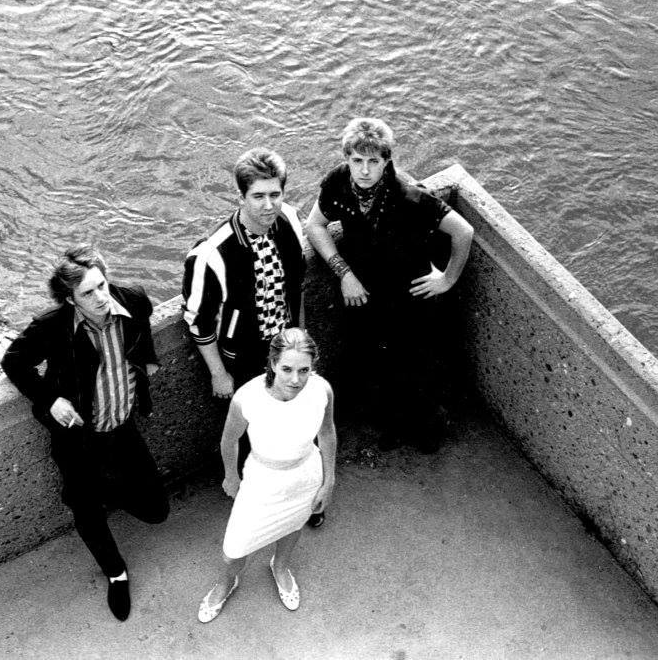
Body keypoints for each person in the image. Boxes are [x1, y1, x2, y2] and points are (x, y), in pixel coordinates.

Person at [1, 244, 169, 622]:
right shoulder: (52, 326)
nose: (101, 297)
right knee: (85, 507)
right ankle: (116, 572)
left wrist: (147, 363)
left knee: (156, 511)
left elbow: (143, 326)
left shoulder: (133, 299)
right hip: (78, 436)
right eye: (88, 293)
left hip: (122, 426)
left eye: (102, 285)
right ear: (70, 299)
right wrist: (49, 400)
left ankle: (104, 488)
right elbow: (13, 361)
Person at [304, 117, 474, 453]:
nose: (364, 170)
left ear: (386, 161)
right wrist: (344, 273)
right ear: (347, 159)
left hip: (409, 293)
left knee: (415, 362)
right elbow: (315, 225)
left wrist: (447, 279)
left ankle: (429, 429)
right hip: (366, 289)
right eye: (357, 160)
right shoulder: (338, 182)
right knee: (376, 361)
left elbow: (463, 231)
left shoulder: (409, 196)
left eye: (373, 161)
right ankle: (392, 425)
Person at [182, 147, 324, 526]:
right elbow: (198, 322)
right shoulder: (211, 254)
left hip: (286, 347)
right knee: (252, 435)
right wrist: (218, 373)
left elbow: (297, 288)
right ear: (241, 196)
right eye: (258, 196)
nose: (268, 205)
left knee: (298, 421)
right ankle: (257, 499)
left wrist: (301, 338)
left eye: (275, 194)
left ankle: (303, 494)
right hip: (243, 357)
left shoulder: (289, 220)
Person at [197, 328, 336, 623]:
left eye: (304, 370)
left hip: (305, 475)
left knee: (293, 524)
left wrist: (329, 480)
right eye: (287, 369)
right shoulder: (247, 397)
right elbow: (229, 439)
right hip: (262, 480)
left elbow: (327, 433)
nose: (295, 379)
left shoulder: (322, 390)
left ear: (313, 366)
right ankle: (227, 582)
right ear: (273, 363)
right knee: (234, 548)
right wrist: (231, 477)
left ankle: (280, 566)